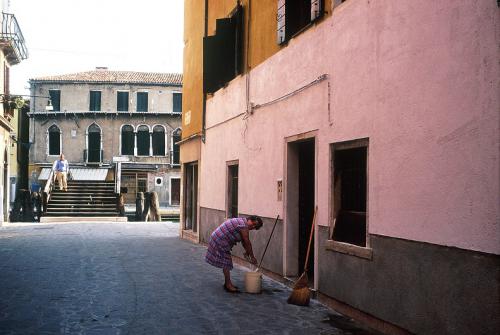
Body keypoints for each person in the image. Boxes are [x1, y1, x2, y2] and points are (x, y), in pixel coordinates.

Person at [205, 216, 263, 293]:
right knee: (226, 262)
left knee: (226, 261)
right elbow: (247, 241)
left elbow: (244, 241)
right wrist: (252, 257)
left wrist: (247, 252)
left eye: (255, 227)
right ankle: (228, 285)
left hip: (218, 238)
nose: (253, 227)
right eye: (253, 224)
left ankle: (227, 283)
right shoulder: (243, 225)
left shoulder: (242, 222)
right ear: (249, 219)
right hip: (220, 240)